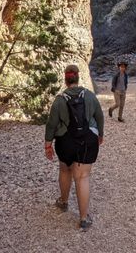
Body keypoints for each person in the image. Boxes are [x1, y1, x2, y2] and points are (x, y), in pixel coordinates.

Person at [44, 64, 104, 230]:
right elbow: (99, 116)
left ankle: (63, 202)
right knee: (82, 177)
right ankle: (83, 219)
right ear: (78, 77)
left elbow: (51, 124)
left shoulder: (59, 100)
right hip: (87, 141)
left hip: (65, 142)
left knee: (65, 170)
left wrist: (48, 144)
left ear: (65, 79)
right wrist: (100, 134)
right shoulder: (90, 96)